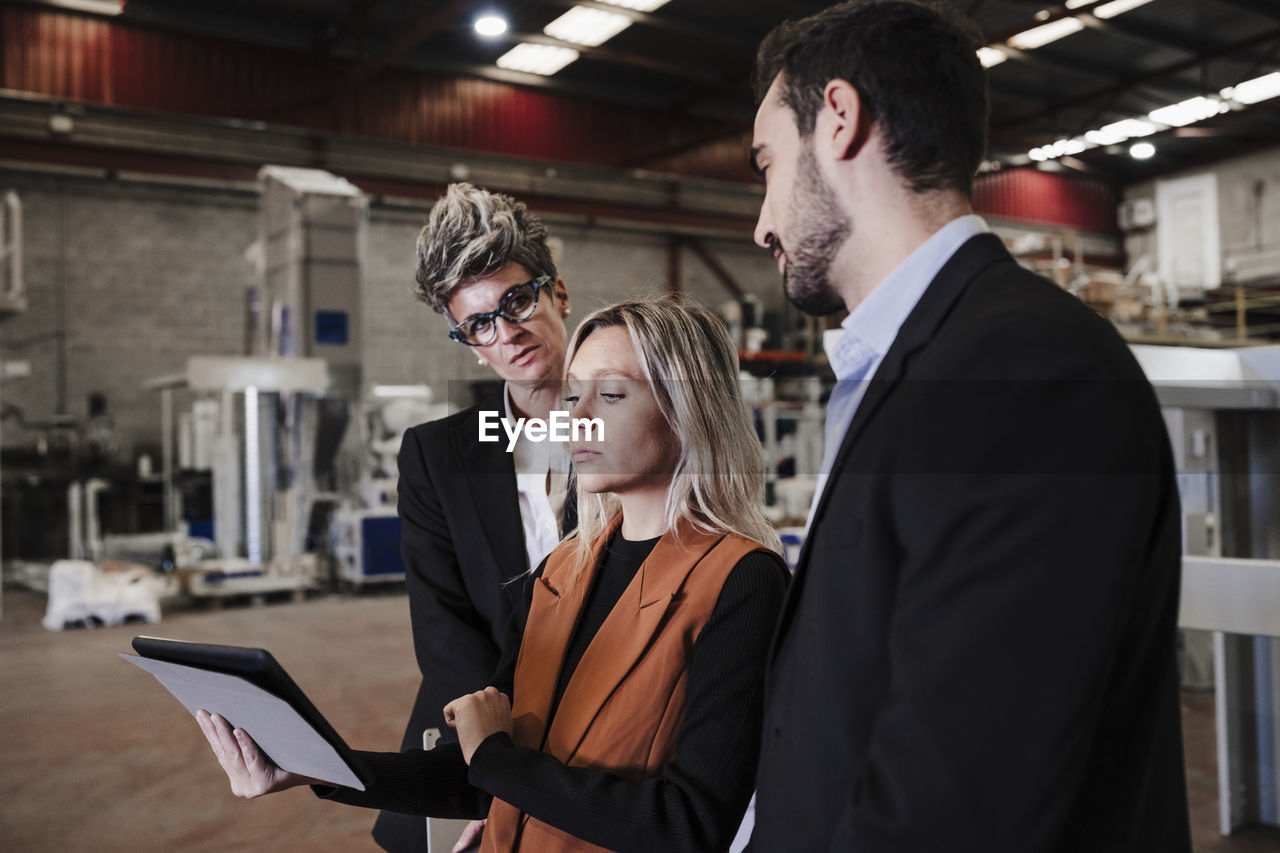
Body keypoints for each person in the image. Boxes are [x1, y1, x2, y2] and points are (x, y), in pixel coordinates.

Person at [746, 2, 1191, 850]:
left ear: (838, 120)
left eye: (767, 164)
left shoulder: (1024, 375)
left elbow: (957, 805)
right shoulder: (917, 362)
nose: (761, 222)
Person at [196, 296, 790, 853]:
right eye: (574, 394)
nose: (574, 417)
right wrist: (321, 767)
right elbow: (482, 776)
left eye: (610, 396)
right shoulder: (562, 569)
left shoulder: (741, 581)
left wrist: (495, 760)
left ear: (689, 410)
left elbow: (692, 824)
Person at [377, 182, 578, 853]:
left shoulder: (639, 429)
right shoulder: (437, 455)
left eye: (517, 299)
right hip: (474, 736)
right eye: (480, 323)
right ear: (469, 343)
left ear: (559, 294)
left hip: (605, 728)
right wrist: (491, 764)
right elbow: (443, 629)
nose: (507, 330)